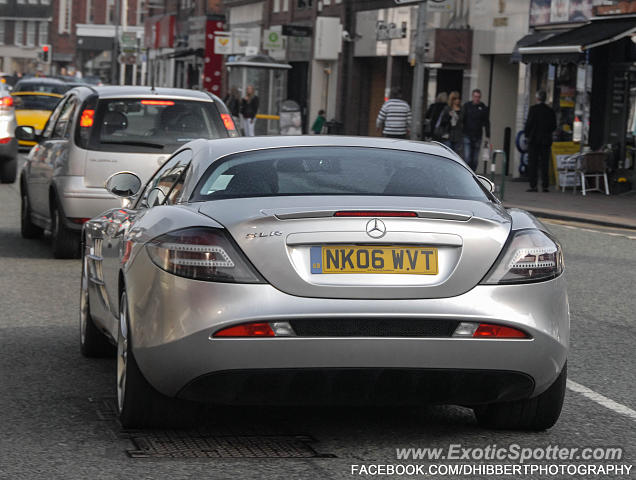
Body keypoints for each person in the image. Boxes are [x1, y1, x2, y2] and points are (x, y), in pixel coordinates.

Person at [524, 90, 556, 192]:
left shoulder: (533, 109)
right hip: (545, 140)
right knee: (544, 163)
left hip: (534, 140)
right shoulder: (550, 111)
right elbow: (553, 125)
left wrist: (527, 134)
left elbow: (529, 123)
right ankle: (545, 185)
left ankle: (533, 185)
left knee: (533, 163)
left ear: (537, 98)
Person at [461, 88, 490, 171]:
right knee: (467, 157)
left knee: (475, 159)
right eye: (475, 96)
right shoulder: (467, 106)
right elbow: (462, 119)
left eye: (478, 97)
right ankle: (467, 172)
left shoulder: (483, 107)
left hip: (478, 135)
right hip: (467, 134)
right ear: (472, 96)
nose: (476, 99)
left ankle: (473, 173)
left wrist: (488, 135)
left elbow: (486, 122)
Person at [437, 91, 463, 156]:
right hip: (448, 135)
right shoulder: (447, 109)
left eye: (458, 98)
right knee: (448, 154)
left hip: (458, 135)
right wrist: (448, 116)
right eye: (455, 99)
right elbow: (442, 122)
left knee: (456, 155)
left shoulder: (462, 109)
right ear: (452, 100)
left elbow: (463, 121)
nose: (457, 100)